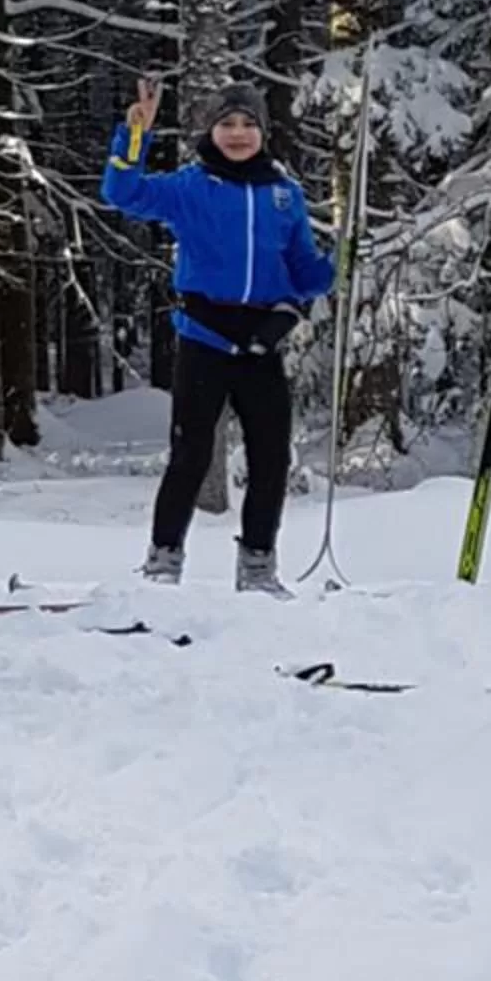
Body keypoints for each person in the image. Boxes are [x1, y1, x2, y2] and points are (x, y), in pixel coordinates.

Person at [102, 75, 335, 593]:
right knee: (191, 455)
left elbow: (305, 273)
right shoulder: (191, 185)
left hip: (260, 343)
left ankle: (258, 567)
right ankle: (163, 562)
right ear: (211, 130)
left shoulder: (284, 195)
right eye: (227, 123)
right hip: (205, 336)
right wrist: (134, 135)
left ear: (263, 132)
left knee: (270, 457)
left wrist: (339, 263)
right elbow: (123, 192)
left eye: (248, 124)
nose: (237, 134)